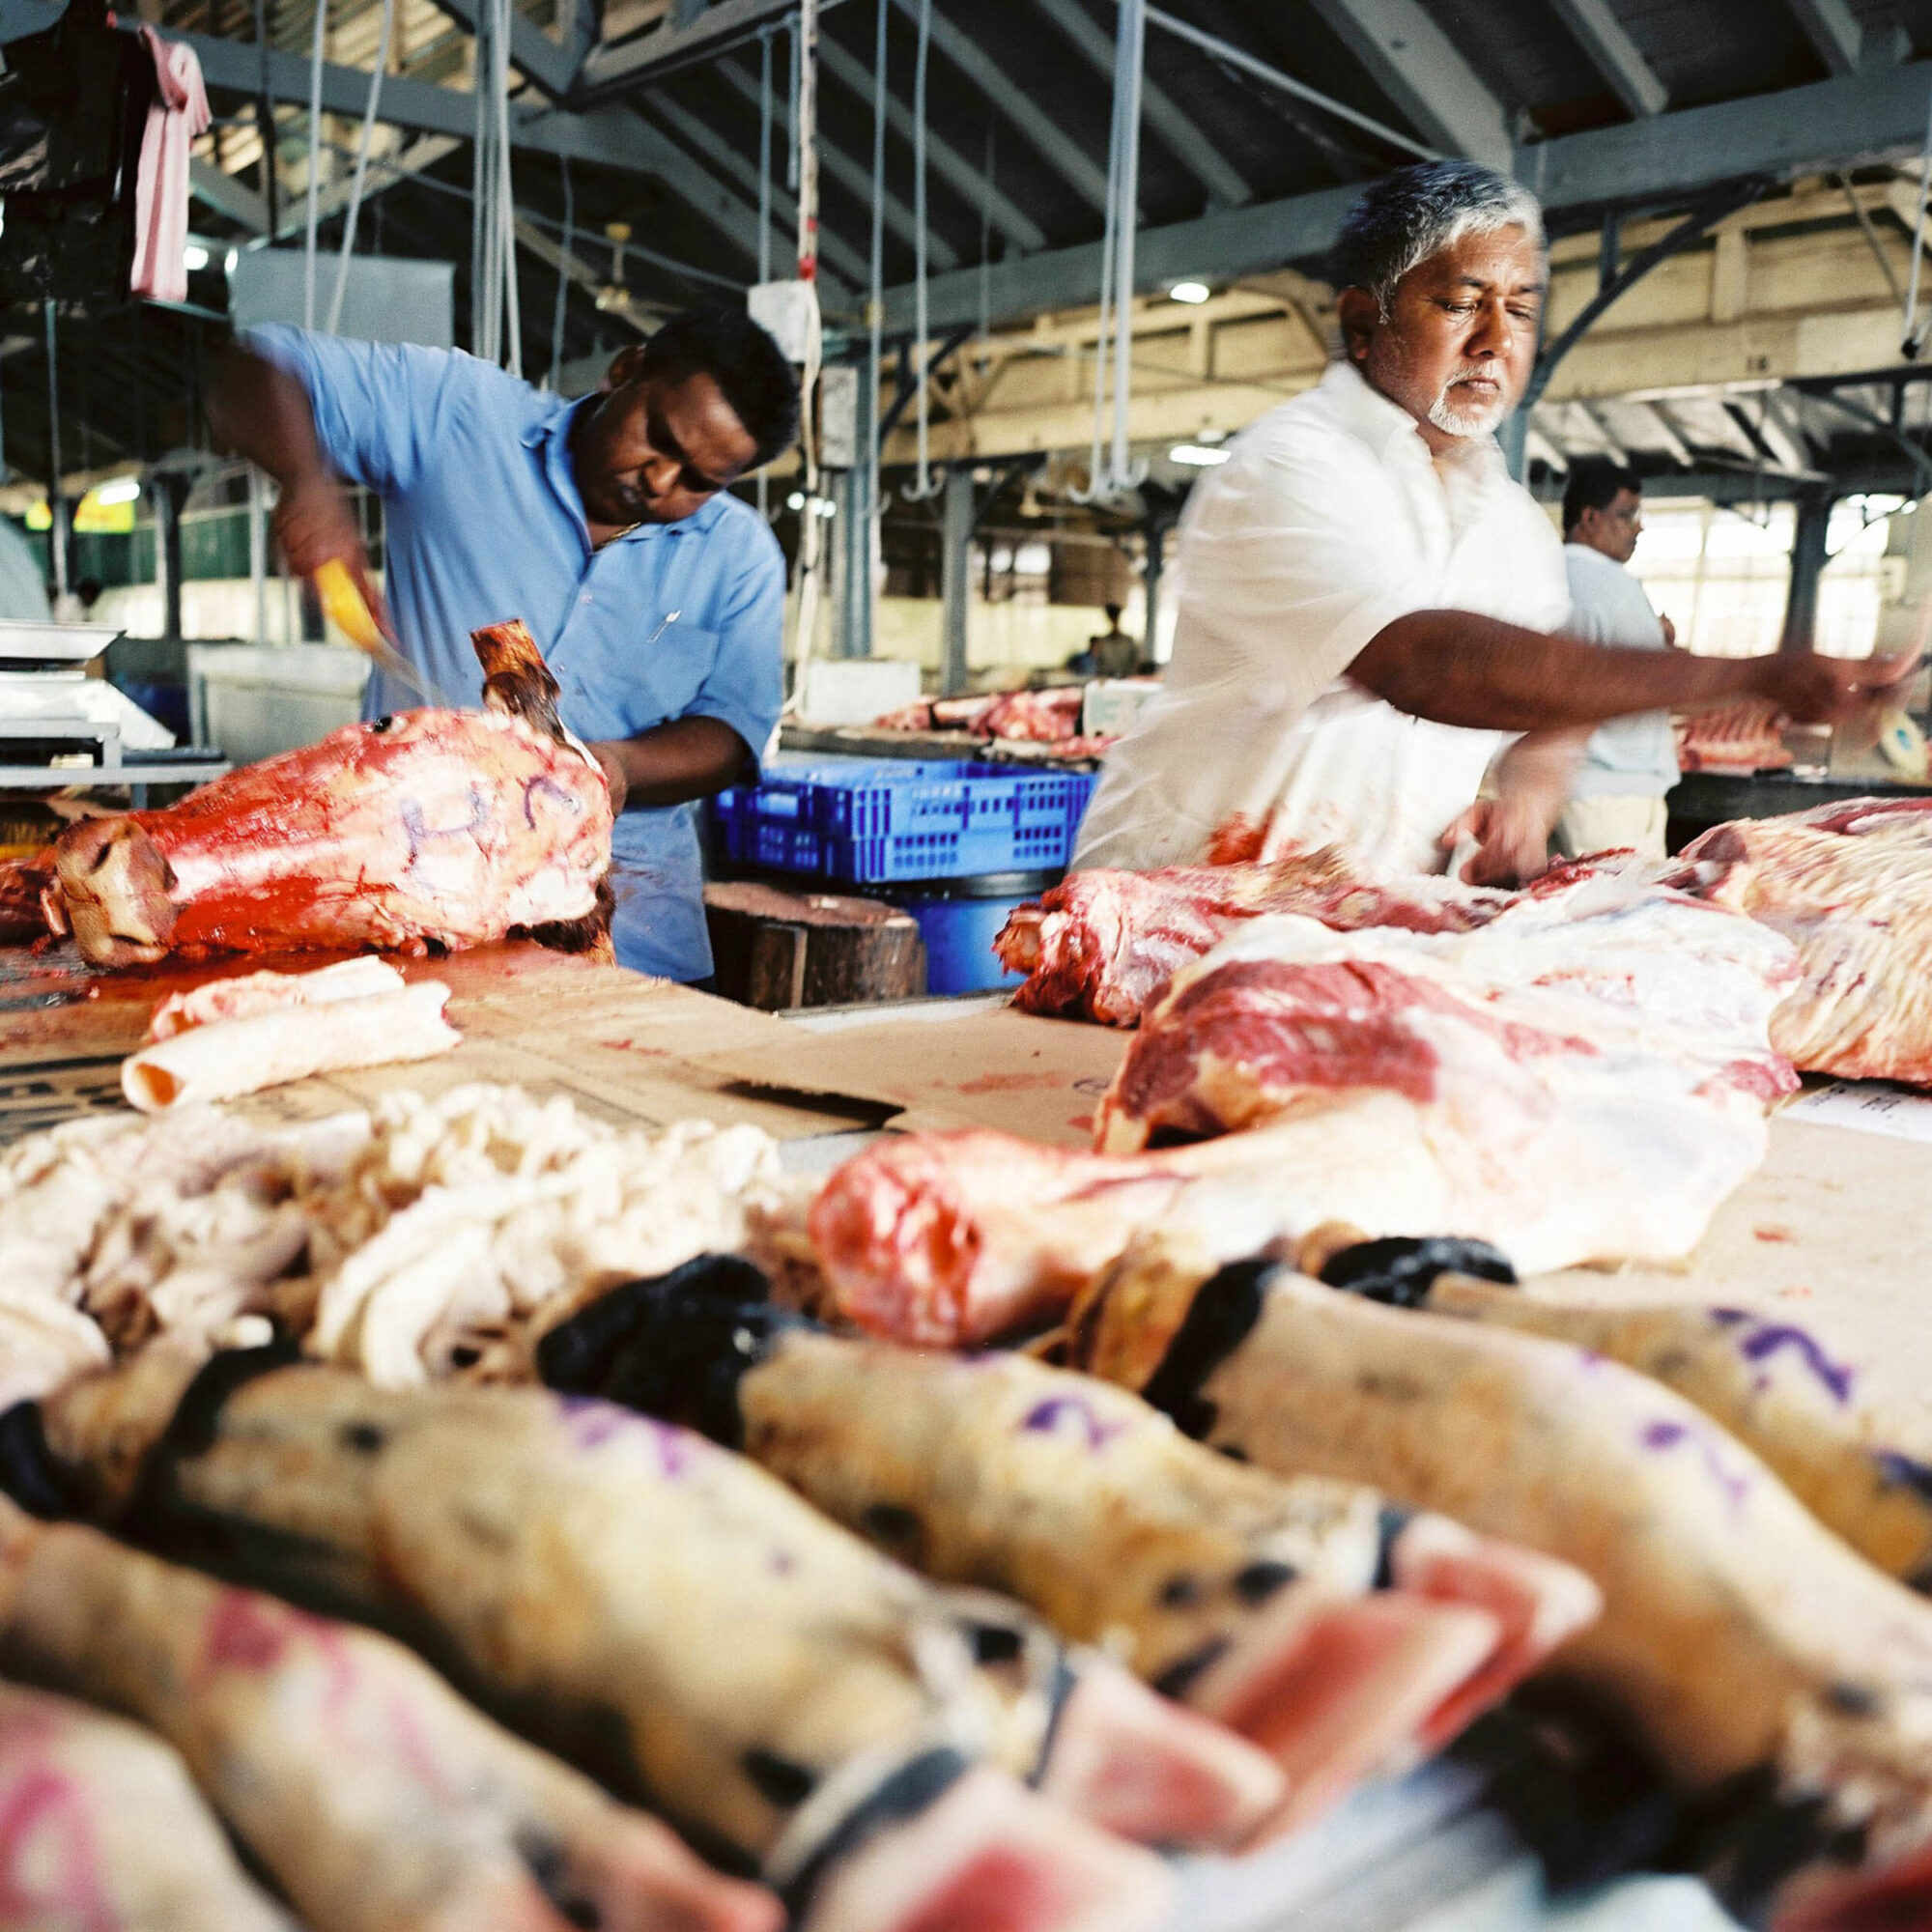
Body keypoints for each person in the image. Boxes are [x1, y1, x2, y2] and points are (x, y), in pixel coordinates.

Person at [1073, 161, 1907, 886]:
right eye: (1460, 302)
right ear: (1366, 325)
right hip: (1178, 899)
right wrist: (1752, 672)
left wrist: (1526, 802)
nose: (1495, 341)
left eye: (1518, 308)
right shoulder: (1291, 465)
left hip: (1353, 922)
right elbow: (1427, 662)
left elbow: (1554, 707)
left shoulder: (1508, 517)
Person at [206, 306, 800, 983]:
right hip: (417, 905)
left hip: (634, 936)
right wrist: (308, 483)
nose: (661, 482)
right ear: (626, 370)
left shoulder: (740, 556)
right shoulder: (457, 414)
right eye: (658, 438)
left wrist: (620, 767)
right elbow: (251, 366)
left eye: (700, 481)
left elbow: (732, 731)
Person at [1555, 461, 1679, 862]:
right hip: (1610, 792)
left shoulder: (1553, 573)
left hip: (1583, 786)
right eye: (1627, 516)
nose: (1637, 528)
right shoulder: (1604, 583)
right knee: (1615, 915)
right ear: (1589, 518)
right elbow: (1645, 682)